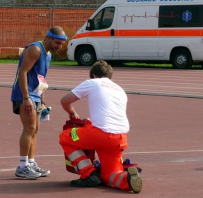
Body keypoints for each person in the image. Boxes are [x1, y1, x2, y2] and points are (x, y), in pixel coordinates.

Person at [59, 60, 143, 193]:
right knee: (109, 175)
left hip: (100, 133)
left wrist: (73, 113)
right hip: (120, 138)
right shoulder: (120, 90)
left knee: (65, 136)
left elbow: (65, 101)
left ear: (93, 75)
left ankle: (89, 173)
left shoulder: (92, 83)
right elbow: (108, 116)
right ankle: (127, 180)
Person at [11, 26, 67, 179]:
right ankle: (22, 166)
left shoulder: (48, 54)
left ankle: (31, 163)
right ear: (48, 38)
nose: (59, 47)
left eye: (61, 44)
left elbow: (40, 79)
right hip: (24, 95)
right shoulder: (35, 49)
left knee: (35, 130)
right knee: (29, 128)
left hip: (36, 95)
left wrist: (42, 100)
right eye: (57, 43)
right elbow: (23, 72)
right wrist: (25, 97)